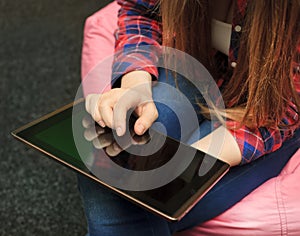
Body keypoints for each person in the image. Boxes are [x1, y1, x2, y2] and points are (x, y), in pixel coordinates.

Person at [78, 0, 300, 235]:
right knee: (107, 174)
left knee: (145, 201)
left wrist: (200, 157)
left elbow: (288, 104)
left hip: (272, 108)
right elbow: (140, 11)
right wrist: (135, 82)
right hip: (199, 70)